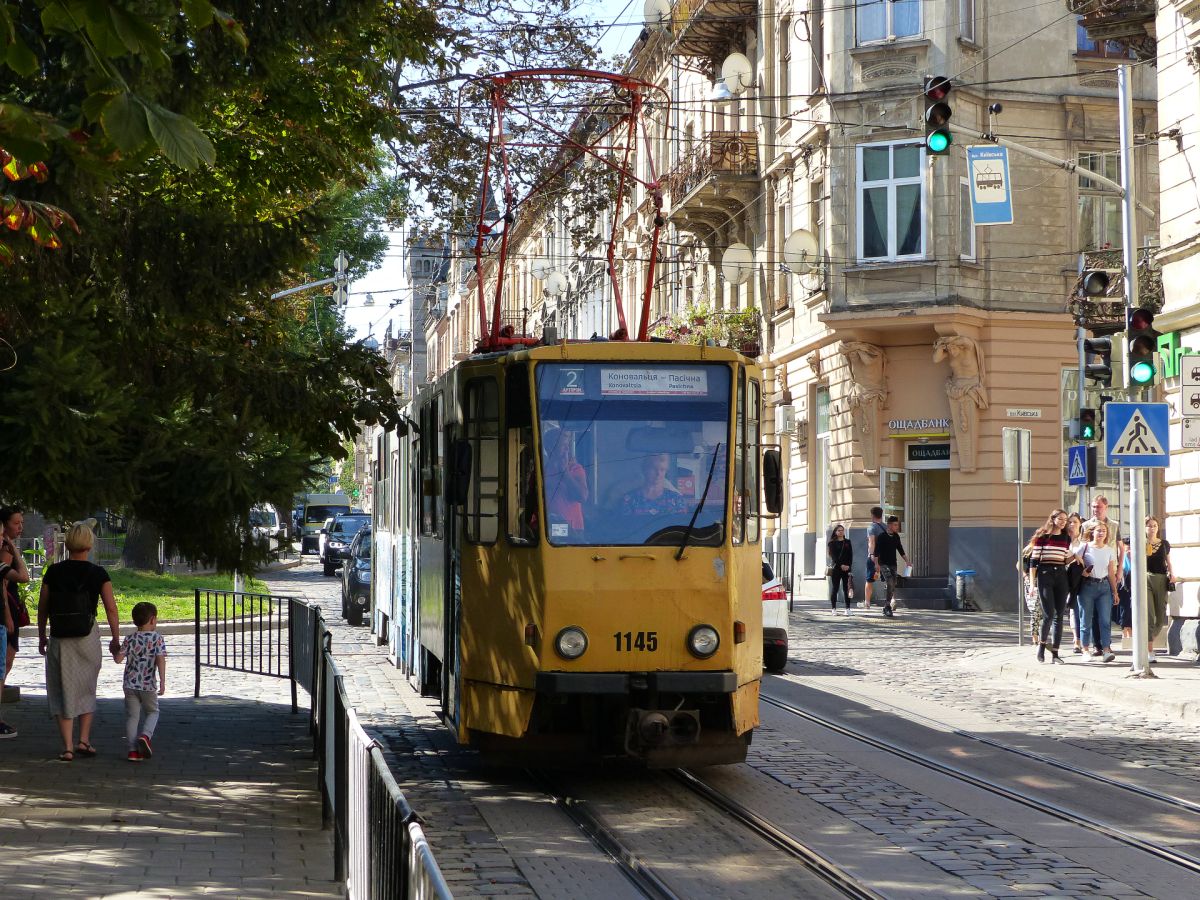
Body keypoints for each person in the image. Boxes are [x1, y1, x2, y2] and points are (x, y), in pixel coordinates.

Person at [37, 523, 121, 761]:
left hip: (60, 636)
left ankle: (67, 746)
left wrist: (42, 635)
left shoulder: (53, 572)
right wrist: (115, 638)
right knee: (86, 686)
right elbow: (111, 609)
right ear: (90, 543)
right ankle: (84, 739)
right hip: (87, 636)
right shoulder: (99, 574)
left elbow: (43, 608)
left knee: (62, 688)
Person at [115, 601, 167, 761]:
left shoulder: (129, 638)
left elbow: (118, 659)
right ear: (152, 620)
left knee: (132, 717)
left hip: (130, 684)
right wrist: (163, 681)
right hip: (148, 685)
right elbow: (160, 659)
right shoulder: (157, 638)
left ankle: (132, 751)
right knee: (153, 712)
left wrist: (115, 649)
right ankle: (145, 736)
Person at [0, 505, 30, 739]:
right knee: (5, 662)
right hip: (5, 610)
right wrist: (8, 614)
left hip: (7, 609)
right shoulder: (5, 550)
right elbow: (19, 578)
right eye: (16, 523)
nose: (20, 527)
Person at [1028, 509, 1073, 663]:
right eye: (1060, 519)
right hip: (1045, 574)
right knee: (1048, 614)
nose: (1063, 522)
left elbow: (1064, 559)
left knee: (1060, 615)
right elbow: (1034, 562)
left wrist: (1075, 557)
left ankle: (1055, 652)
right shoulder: (1043, 536)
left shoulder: (1066, 538)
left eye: (1065, 520)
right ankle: (1041, 647)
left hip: (1061, 575)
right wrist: (1033, 585)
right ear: (1053, 519)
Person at [1075, 521, 1119, 663]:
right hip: (1087, 586)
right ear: (1092, 532)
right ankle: (1085, 649)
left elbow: (1111, 572)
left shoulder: (1109, 550)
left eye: (1104, 531)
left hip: (1104, 586)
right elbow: (1073, 565)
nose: (1101, 533)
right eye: (1098, 530)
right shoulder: (1084, 547)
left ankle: (1106, 649)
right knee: (1086, 619)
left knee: (1105, 620)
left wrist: (1115, 591)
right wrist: (1082, 572)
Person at [543, 427, 588, 532]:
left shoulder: (575, 469)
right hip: (548, 528)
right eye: (563, 445)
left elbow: (582, 496)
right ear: (551, 448)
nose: (567, 449)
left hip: (573, 529)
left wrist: (565, 473)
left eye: (567, 445)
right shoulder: (542, 472)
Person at [620, 452, 689, 518]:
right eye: (654, 469)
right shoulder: (629, 500)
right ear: (644, 469)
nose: (658, 474)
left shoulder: (677, 499)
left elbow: (682, 527)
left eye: (662, 470)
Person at [1144, 516, 1175, 663]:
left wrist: (1172, 574)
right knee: (1150, 615)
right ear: (1145, 528)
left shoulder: (1164, 544)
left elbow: (1168, 561)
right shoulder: (1141, 543)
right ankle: (1150, 650)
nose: (1152, 528)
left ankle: (1146, 641)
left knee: (1161, 617)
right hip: (1146, 579)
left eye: (1154, 525)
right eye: (1149, 526)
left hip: (1162, 579)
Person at [874, 516, 910, 618]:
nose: (897, 527)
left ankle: (887, 606)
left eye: (897, 525)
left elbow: (900, 549)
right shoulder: (882, 536)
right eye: (895, 525)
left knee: (893, 584)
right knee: (889, 580)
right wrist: (876, 564)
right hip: (883, 563)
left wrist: (907, 561)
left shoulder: (896, 536)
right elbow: (876, 551)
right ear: (889, 525)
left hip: (893, 563)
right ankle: (887, 606)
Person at [1065, 513, 1087, 655]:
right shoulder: (1063, 541)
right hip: (1065, 578)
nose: (1072, 525)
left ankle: (1081, 640)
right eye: (1070, 522)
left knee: (1080, 609)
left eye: (1075, 522)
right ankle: (1076, 640)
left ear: (1080, 524)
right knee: (1072, 609)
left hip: (1080, 579)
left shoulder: (1084, 543)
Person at [826, 524, 853, 615]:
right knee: (835, 588)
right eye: (839, 530)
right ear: (835, 532)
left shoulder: (847, 542)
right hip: (836, 568)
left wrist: (848, 566)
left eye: (842, 530)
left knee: (847, 588)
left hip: (847, 569)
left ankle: (848, 609)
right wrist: (841, 565)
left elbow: (850, 555)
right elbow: (834, 557)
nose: (841, 532)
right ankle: (833, 609)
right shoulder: (832, 543)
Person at [864, 506, 886, 611]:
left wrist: (871, 554)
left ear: (872, 515)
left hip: (874, 556)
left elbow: (872, 542)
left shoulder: (871, 527)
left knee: (869, 579)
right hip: (886, 557)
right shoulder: (886, 527)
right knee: (888, 579)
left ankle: (867, 602)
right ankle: (892, 600)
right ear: (881, 515)